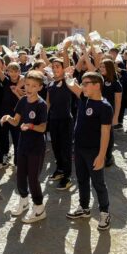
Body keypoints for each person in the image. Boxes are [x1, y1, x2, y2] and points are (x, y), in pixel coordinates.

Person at [66, 71, 113, 231]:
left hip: (94, 152)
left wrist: (101, 156)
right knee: (81, 180)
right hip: (79, 149)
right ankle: (84, 208)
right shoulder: (85, 98)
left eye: (86, 83)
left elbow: (106, 133)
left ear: (97, 85)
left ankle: (105, 212)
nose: (82, 86)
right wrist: (68, 75)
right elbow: (72, 85)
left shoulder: (105, 107)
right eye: (82, 83)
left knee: (99, 184)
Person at [0, 71, 48, 223]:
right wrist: (8, 118)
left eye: (34, 86)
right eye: (27, 84)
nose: (29, 88)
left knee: (33, 179)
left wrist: (31, 126)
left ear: (40, 88)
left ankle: (39, 208)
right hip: (22, 145)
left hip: (36, 146)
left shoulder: (41, 105)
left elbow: (43, 128)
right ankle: (24, 201)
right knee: (20, 176)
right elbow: (16, 121)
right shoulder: (22, 101)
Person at [0, 46, 24, 172]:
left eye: (16, 71)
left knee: (17, 139)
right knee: (2, 137)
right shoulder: (6, 80)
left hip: (17, 114)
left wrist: (18, 89)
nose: (13, 74)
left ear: (19, 71)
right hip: (4, 113)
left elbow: (25, 81)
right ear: (7, 72)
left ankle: (18, 162)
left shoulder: (23, 80)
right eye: (11, 71)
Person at [46, 58, 73, 190]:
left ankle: (67, 177)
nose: (55, 68)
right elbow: (48, 103)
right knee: (56, 147)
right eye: (53, 66)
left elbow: (70, 65)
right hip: (53, 120)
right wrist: (44, 117)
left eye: (58, 66)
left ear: (63, 68)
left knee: (65, 149)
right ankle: (60, 170)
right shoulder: (50, 85)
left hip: (66, 120)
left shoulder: (67, 81)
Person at [98, 59, 122, 166]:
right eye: (101, 67)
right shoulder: (98, 80)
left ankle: (108, 155)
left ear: (109, 68)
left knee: (108, 134)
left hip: (109, 113)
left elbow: (118, 102)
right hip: (97, 112)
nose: (101, 69)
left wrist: (116, 117)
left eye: (104, 67)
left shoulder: (116, 83)